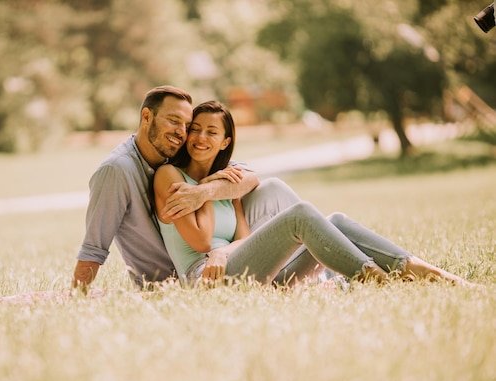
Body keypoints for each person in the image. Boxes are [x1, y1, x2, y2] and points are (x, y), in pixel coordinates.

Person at [153, 100, 476, 288]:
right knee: (301, 215)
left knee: (335, 220)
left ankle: (430, 273)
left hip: (239, 267)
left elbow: (242, 237)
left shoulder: (225, 182)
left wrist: (211, 193)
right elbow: (200, 243)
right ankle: (380, 283)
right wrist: (205, 193)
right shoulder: (170, 175)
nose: (200, 137)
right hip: (206, 279)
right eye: (195, 129)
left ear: (225, 142)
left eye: (211, 132)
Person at [73, 86, 301, 294]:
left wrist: (205, 191)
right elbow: (94, 247)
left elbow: (250, 179)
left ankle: (321, 270)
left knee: (273, 190)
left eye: (186, 125)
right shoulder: (117, 171)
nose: (181, 132)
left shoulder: (174, 152)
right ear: (146, 117)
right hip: (169, 279)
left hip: (217, 258)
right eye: (173, 121)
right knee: (300, 220)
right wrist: (77, 296)